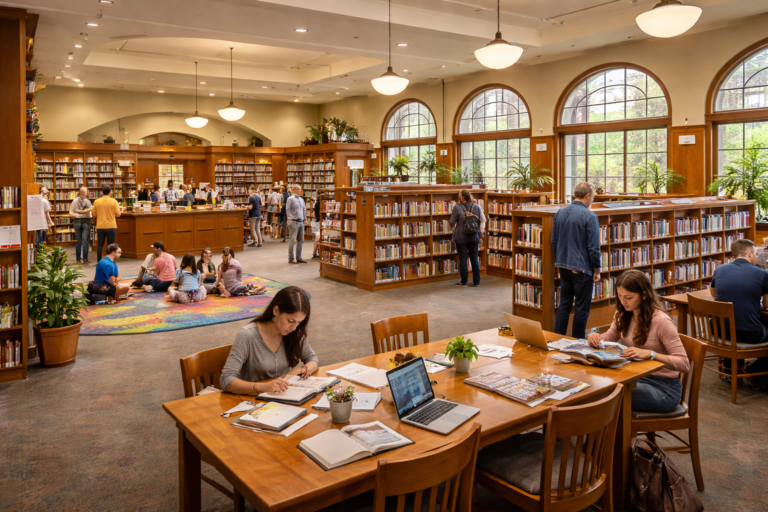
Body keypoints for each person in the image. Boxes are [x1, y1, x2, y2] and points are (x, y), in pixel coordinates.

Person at [588, 270, 690, 413]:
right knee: (595, 384)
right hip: (635, 375)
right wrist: (597, 338)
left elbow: (684, 364)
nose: (623, 301)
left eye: (628, 297)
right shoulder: (623, 312)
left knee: (606, 394)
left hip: (663, 387)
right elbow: (611, 335)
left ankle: (616, 428)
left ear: (644, 295)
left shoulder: (661, 321)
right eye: (619, 295)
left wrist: (651, 354)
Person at [220, 286, 318, 394]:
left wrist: (301, 369)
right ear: (276, 310)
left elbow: (312, 359)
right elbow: (226, 380)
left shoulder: (294, 333)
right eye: (290, 321)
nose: (294, 327)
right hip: (252, 398)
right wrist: (262, 387)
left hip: (283, 397)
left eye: (299, 322)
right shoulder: (248, 335)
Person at [709, 238, 768, 388]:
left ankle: (730, 367)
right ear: (750, 253)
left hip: (718, 330)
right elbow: (767, 305)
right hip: (747, 334)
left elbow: (714, 294)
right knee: (752, 324)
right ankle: (755, 373)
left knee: (735, 321)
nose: (755, 256)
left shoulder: (719, 269)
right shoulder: (762, 273)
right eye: (755, 253)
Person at [552, 182, 601, 340]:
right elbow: (593, 247)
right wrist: (597, 269)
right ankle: (578, 341)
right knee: (581, 308)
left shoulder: (560, 212)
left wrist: (560, 260)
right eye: (593, 197)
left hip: (563, 266)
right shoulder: (590, 216)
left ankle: (557, 339)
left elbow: (554, 241)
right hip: (582, 268)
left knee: (564, 304)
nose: (592, 200)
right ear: (587, 196)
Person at [449, 189, 486, 287]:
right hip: (474, 236)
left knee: (463, 258)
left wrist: (456, 224)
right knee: (474, 258)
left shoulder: (457, 207)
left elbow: (452, 222)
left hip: (461, 236)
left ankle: (464, 281)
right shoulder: (477, 206)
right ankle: (476, 281)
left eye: (459, 195)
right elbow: (483, 220)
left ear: (462, 197)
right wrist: (480, 231)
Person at [92, 186, 121, 262]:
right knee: (111, 245)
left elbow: (93, 214)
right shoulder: (114, 201)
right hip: (111, 225)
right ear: (110, 193)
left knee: (100, 245)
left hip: (100, 226)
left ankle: (99, 261)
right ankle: (110, 261)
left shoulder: (96, 201)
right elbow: (118, 214)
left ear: (102, 193)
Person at [69, 186, 93, 264]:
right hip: (85, 221)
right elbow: (91, 211)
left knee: (80, 241)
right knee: (85, 241)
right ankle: (84, 259)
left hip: (78, 221)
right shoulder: (87, 201)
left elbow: (71, 212)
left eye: (84, 192)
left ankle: (79, 259)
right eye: (83, 192)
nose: (84, 193)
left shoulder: (75, 201)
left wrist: (76, 214)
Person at [286, 184, 307, 264]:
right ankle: (291, 258)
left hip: (301, 222)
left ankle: (299, 257)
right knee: (292, 240)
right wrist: (290, 218)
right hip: (293, 222)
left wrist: (305, 219)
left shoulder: (301, 199)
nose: (300, 191)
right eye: (299, 189)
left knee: (301, 240)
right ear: (294, 190)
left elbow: (304, 209)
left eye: (300, 189)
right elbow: (287, 209)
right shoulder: (290, 199)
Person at [311, 192, 322, 259]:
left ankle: (315, 253)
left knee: (316, 238)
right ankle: (315, 253)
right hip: (319, 222)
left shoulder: (316, 203)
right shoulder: (320, 202)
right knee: (318, 238)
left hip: (316, 221)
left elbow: (314, 214)